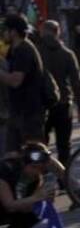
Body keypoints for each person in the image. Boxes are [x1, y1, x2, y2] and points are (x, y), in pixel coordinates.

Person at [0, 142, 62, 228]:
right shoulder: (5, 170)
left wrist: (46, 200)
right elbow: (9, 205)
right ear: (24, 163)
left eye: (41, 169)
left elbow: (25, 207)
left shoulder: (35, 177)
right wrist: (36, 198)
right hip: (4, 206)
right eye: (34, 167)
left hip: (5, 211)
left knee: (40, 208)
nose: (37, 171)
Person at [38, 21, 80, 164]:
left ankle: (40, 176)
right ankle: (64, 179)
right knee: (64, 146)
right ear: (58, 32)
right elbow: (77, 82)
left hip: (42, 105)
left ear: (43, 31)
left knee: (40, 144)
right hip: (64, 103)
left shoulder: (36, 52)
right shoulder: (67, 54)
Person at [0, 14, 45, 152]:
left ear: (13, 32)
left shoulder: (24, 50)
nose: (3, 34)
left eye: (5, 30)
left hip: (30, 113)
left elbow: (15, 81)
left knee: (37, 157)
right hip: (17, 111)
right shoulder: (13, 50)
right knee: (11, 155)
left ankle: (63, 174)